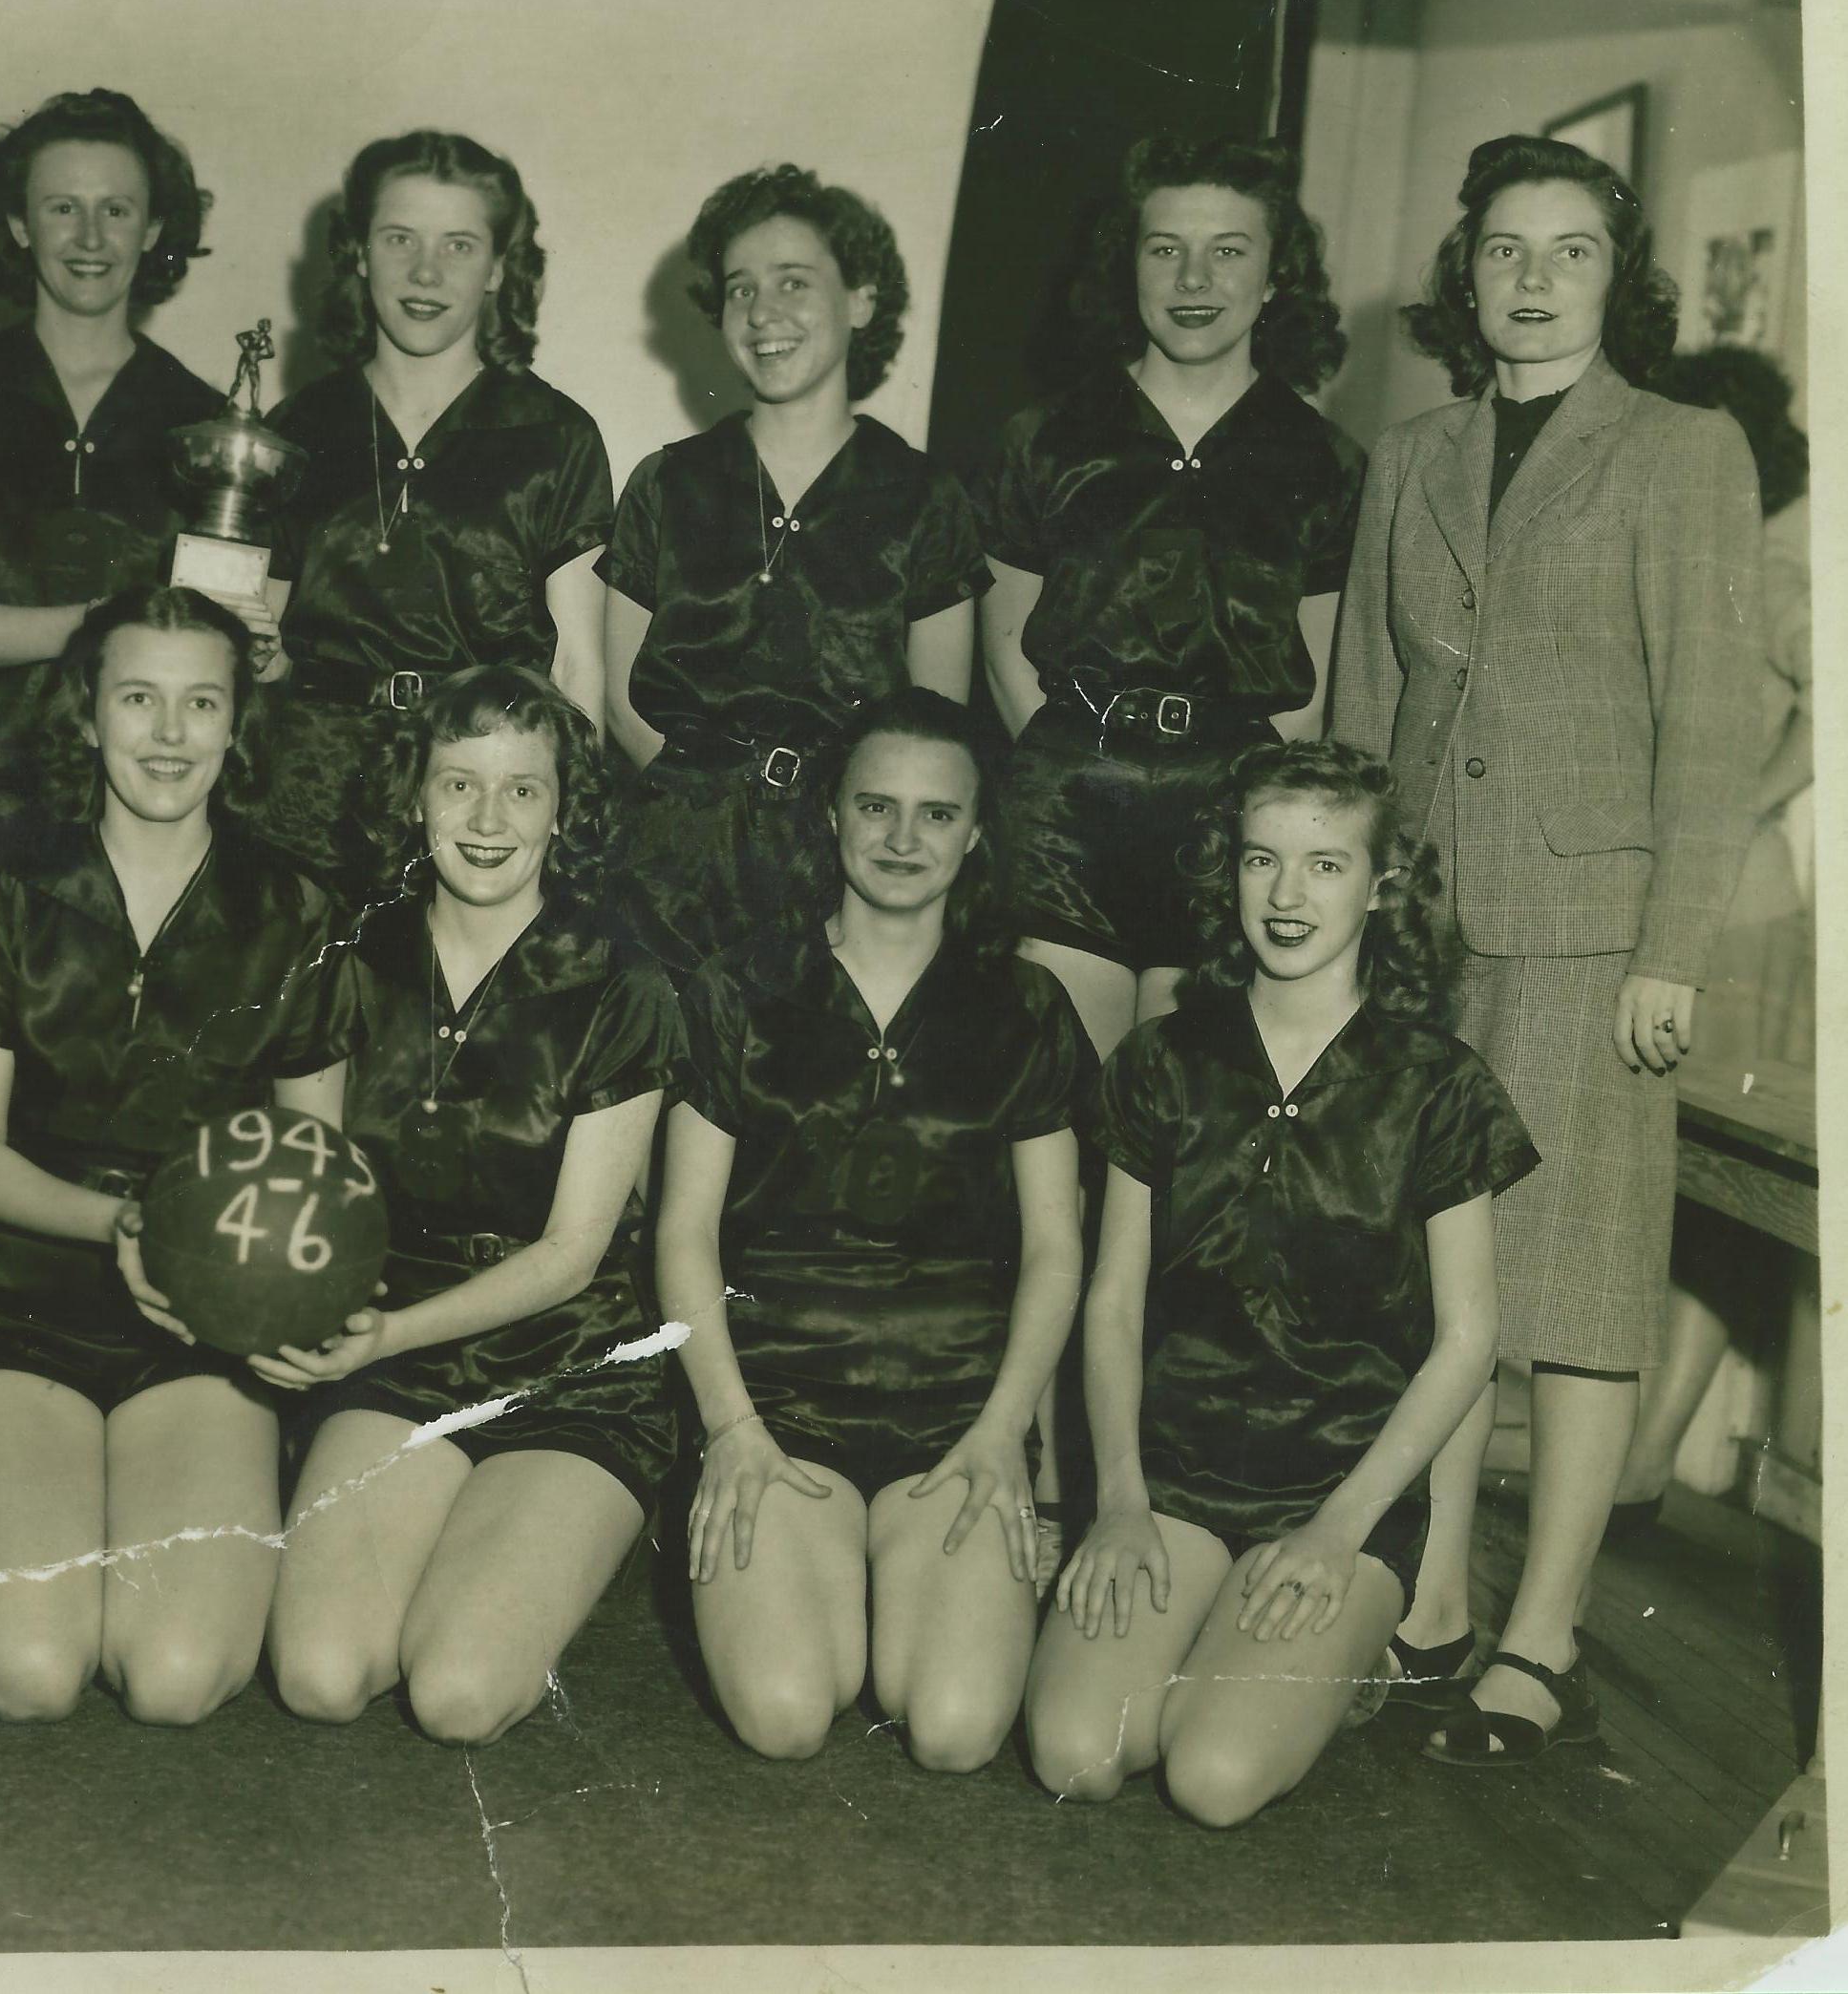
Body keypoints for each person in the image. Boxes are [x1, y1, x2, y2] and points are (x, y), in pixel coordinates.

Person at [1331, 135, 1761, 1764]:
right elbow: (1360, 711)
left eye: (1564, 251)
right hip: (1427, 927)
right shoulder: (1412, 451)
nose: (1526, 278)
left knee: (1571, 1283)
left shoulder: (1677, 451)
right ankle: (1431, 1595)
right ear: (1463, 277)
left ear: (1612, 277)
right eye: (1500, 250)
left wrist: (1668, 945)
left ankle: (1541, 1630)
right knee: (1437, 1281)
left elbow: (1711, 724)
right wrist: (1348, 916)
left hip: (1590, 932)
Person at [1023, 742, 1529, 1823]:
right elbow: (1112, 1300)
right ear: (1229, 870)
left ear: (1383, 885)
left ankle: (1353, 1655)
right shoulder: (1162, 1059)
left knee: (1212, 1778)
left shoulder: (1439, 1085)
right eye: (1262, 860)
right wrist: (1115, 1502)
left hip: (1336, 1491)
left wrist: (1339, 1530)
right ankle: (1211, 1636)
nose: (1287, 895)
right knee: (1078, 1751)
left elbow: (1466, 1341)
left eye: (1326, 864)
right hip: (1173, 1472)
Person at [0, 584, 348, 1726]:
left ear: (239, 722)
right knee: (29, 1670)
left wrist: (230, 1280)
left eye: (201, 702)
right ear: (87, 713)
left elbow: (316, 1159)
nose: (168, 733)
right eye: (139, 698)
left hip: (204, 1312)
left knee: (177, 1677)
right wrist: (121, 1225)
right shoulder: (5, 895)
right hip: (19, 1295)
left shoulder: (295, 908)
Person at [658, 689, 1089, 1769]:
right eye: (877, 806)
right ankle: (819, 1557)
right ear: (831, 818)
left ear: (978, 832)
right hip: (778, 1401)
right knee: (787, 1714)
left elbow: (1053, 1248)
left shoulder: (1027, 1005)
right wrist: (731, 1430)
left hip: (956, 1413)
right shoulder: (737, 987)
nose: (904, 838)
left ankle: (884, 1564)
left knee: (952, 1730)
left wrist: (1005, 1432)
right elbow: (683, 1231)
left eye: (938, 814)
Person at [261, 667, 680, 1748]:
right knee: (319, 1674)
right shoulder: (345, 957)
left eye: (523, 791)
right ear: (415, 796)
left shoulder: (624, 979)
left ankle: (552, 1539)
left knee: (453, 1693)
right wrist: (292, 1316)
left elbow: (574, 1253)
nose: (488, 820)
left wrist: (385, 1330)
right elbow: (304, 1184)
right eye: (460, 784)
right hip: (393, 1352)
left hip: (569, 1362)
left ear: (563, 809)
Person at [977, 135, 1361, 1060]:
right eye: (1165, 248)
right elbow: (1007, 645)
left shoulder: (1327, 461)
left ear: (1276, 279)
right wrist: (1077, 765)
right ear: (1129, 268)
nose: (1195, 275)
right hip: (1069, 810)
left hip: (1228, 822)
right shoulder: (1045, 439)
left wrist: (1255, 822)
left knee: (1179, 1123)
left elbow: (1307, 692)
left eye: (1230, 249)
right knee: (1055, 1108)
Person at [605, 164, 986, 976]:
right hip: (670, 863)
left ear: (862, 300)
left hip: (840, 873)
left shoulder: (925, 496)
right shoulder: (667, 481)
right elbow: (621, 694)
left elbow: (934, 719)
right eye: (740, 289)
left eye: (793, 283)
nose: (763, 312)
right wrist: (700, 805)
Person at [0, 89, 222, 941]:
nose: (89, 238)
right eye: (61, 208)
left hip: (137, 825)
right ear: (17, 225)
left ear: (154, 229)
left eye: (116, 210)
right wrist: (114, 621)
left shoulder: (204, 421)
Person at [254, 130, 611, 895]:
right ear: (356, 251)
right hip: (307, 798)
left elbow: (578, 667)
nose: (425, 272)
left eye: (459, 245)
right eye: (399, 239)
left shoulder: (557, 435)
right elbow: (271, 645)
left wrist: (567, 840)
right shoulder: (298, 427)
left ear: (501, 267)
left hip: (474, 796)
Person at [1608, 345, 1813, 1528]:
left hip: (1739, 913)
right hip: (1664, 904)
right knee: (1662, 1185)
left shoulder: (1773, 558)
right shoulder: (1660, 551)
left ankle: (1647, 1458)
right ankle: (1626, 1455)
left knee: (1721, 1198)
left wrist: (1737, 804)